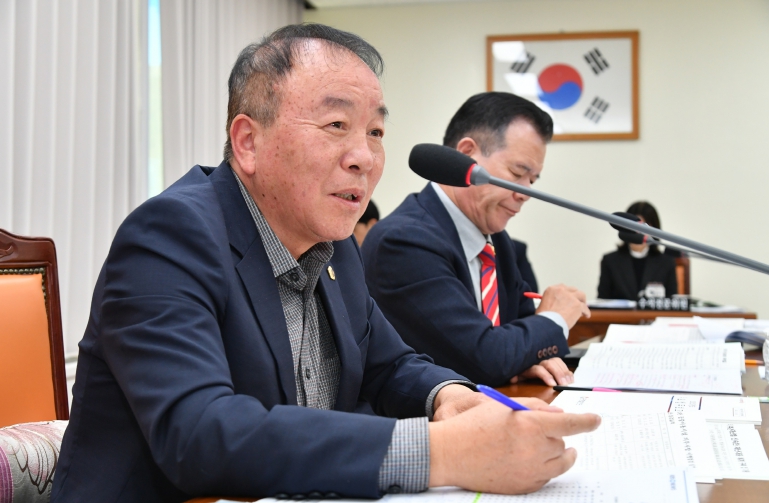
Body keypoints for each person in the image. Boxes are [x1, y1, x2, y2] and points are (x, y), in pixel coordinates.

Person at [51, 25, 599, 502]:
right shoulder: (170, 236)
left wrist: (449, 397)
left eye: (376, 132)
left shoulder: (333, 243)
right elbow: (198, 434)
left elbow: (390, 366)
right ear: (248, 142)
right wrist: (440, 452)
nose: (364, 157)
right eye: (337, 125)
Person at [362, 92, 590, 388]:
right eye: (518, 173)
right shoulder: (403, 241)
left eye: (532, 181)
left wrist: (531, 357)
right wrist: (555, 318)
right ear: (468, 154)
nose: (525, 193)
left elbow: (519, 330)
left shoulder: (496, 241)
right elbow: (485, 359)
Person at [598, 201, 678, 300]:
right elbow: (602, 301)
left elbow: (673, 302)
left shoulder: (667, 262)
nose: (638, 232)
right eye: (634, 227)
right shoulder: (610, 261)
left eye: (643, 227)